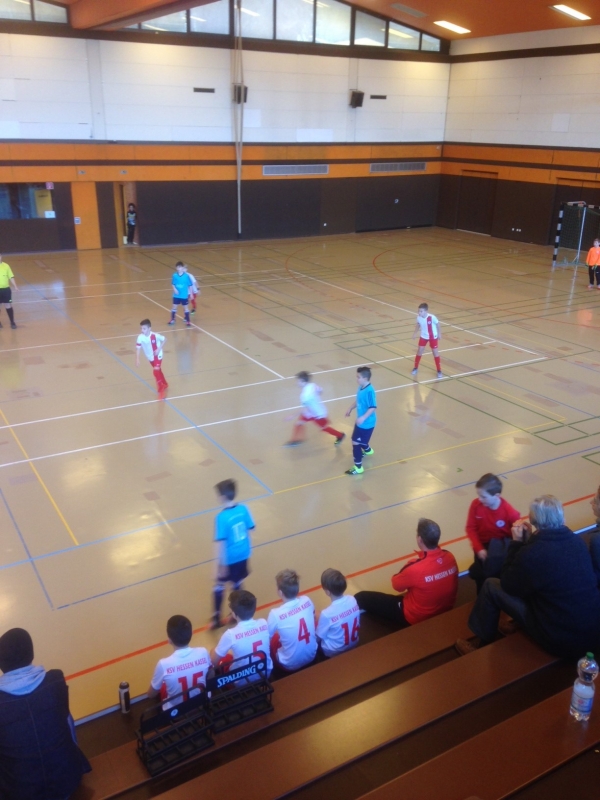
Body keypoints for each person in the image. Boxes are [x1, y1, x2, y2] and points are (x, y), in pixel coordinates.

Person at [456, 495, 600, 658]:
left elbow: (508, 584)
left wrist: (516, 543)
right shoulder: (577, 542)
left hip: (560, 639)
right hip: (591, 632)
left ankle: (481, 644)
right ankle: (517, 626)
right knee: (537, 584)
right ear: (562, 517)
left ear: (532, 520)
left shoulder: (534, 553)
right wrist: (530, 541)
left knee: (491, 586)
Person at [0, 628, 91, 800]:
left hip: (21, 793)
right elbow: (70, 727)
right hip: (68, 780)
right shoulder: (55, 680)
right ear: (31, 653)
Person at [355, 518, 458, 627]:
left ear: (419, 539)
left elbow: (396, 585)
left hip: (415, 617)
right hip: (444, 609)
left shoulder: (416, 567)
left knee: (362, 597)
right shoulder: (449, 557)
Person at [466, 473, 521, 593]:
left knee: (497, 579)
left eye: (483, 496)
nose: (479, 499)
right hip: (482, 548)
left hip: (500, 550)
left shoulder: (510, 513)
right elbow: (470, 528)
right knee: (481, 581)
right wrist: (479, 548)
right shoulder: (476, 505)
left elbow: (517, 536)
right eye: (478, 495)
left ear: (496, 496)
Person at [211, 479, 255, 630]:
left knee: (219, 586)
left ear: (222, 497)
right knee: (237, 583)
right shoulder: (243, 509)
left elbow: (221, 544)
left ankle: (216, 618)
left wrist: (220, 565)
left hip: (229, 558)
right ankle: (235, 614)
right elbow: (251, 528)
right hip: (243, 554)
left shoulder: (221, 517)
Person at [148, 616, 211, 709]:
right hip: (203, 703)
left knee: (163, 685)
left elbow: (151, 694)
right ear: (191, 633)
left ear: (169, 640)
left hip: (177, 711)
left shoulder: (163, 664)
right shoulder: (203, 652)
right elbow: (211, 675)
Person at [211, 590, 272, 680]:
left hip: (241, 682)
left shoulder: (230, 634)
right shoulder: (263, 623)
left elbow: (213, 661)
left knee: (219, 655)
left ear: (233, 613)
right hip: (266, 673)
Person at [268, 569, 317, 672]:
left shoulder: (275, 614)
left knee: (273, 640)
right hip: (312, 656)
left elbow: (266, 639)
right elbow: (314, 618)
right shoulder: (307, 600)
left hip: (289, 665)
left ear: (280, 592)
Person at [284, 371, 345, 447]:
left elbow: (303, 409)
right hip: (311, 411)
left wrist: (292, 416)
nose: (297, 383)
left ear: (303, 381)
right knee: (299, 423)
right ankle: (294, 440)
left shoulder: (305, 395)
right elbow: (320, 391)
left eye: (298, 381)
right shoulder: (313, 385)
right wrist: (314, 399)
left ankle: (340, 435)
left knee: (324, 428)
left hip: (319, 414)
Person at [316, 569, 360, 658]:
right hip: (354, 643)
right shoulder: (352, 600)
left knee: (316, 616)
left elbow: (318, 638)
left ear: (327, 592)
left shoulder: (327, 614)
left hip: (332, 651)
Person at [344, 366, 377, 475]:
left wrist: (363, 417)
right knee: (359, 440)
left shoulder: (369, 391)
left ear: (365, 378)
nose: (356, 379)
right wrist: (350, 408)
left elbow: (373, 407)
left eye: (358, 377)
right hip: (361, 421)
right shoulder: (360, 387)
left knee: (355, 442)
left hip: (366, 423)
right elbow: (359, 401)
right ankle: (368, 450)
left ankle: (358, 467)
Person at [135, 318, 168, 399]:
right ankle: (165, 383)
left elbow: (165, 339)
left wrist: (159, 349)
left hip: (158, 355)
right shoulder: (140, 337)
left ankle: (161, 389)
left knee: (155, 371)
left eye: (144, 328)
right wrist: (137, 359)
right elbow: (138, 348)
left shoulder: (155, 335)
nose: (142, 330)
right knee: (158, 371)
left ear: (149, 328)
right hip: (150, 357)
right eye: (141, 328)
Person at [411, 302, 442, 379]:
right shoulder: (418, 317)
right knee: (419, 351)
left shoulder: (432, 317)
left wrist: (439, 334)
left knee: (435, 353)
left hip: (432, 337)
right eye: (419, 311)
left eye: (421, 311)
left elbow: (438, 324)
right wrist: (415, 333)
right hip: (423, 336)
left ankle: (439, 370)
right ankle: (415, 368)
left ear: (426, 311)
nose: (419, 312)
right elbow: (418, 325)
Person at [168, 261, 193, 327]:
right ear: (176, 268)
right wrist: (174, 289)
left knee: (186, 308)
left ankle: (188, 321)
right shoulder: (174, 275)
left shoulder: (186, 276)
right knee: (174, 307)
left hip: (184, 295)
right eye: (177, 267)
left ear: (182, 268)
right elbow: (173, 284)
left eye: (180, 267)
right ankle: (172, 319)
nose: (179, 268)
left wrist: (191, 294)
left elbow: (190, 285)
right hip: (176, 295)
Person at [0, 253, 18, 329]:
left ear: (1, 257)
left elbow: (11, 277)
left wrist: (15, 286)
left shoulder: (6, 266)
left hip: (6, 290)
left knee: (8, 305)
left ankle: (12, 322)